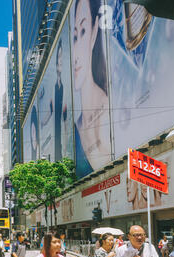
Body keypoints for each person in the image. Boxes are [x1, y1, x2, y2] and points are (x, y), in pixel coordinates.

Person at [72, 0, 111, 177]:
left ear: (95, 32)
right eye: (74, 37)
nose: (75, 55)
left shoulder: (113, 109)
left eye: (83, 31)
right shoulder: (75, 127)